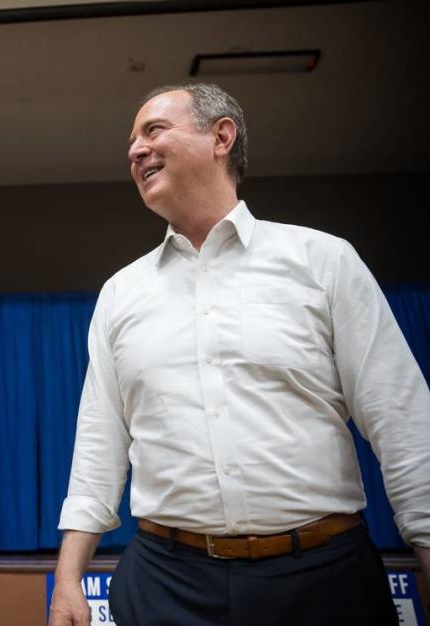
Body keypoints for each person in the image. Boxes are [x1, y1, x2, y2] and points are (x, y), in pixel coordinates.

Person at [49, 83, 430, 626]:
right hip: (164, 586)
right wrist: (67, 579)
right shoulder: (120, 294)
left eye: (153, 131)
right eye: (131, 141)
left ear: (221, 136)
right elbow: (98, 446)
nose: (134, 151)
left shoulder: (324, 262)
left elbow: (404, 424)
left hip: (326, 584)